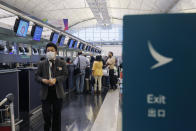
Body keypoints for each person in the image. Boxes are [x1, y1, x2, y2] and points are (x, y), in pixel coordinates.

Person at [35, 43, 68, 131]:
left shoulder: (61, 63)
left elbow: (65, 75)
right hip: (46, 93)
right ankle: (47, 127)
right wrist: (43, 80)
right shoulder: (42, 64)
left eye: (52, 51)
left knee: (57, 114)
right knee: (46, 114)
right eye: (48, 51)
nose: (50, 52)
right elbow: (36, 76)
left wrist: (56, 80)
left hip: (57, 93)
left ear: (56, 52)